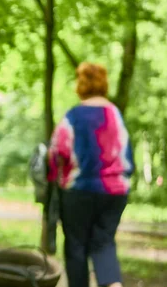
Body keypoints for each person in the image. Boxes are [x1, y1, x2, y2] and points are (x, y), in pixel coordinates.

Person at [48, 62, 134, 287]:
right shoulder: (114, 114)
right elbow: (127, 157)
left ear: (81, 85)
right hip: (114, 192)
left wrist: (52, 182)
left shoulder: (74, 116)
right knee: (103, 244)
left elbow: (57, 152)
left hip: (79, 191)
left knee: (76, 247)